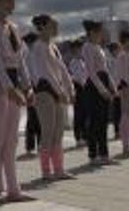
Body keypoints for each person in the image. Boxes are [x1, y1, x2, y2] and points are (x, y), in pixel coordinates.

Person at [0, 0, 34, 202]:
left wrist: (28, 85)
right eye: (8, 0)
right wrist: (10, 88)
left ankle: (14, 188)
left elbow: (21, 60)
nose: (12, 5)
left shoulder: (13, 27)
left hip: (14, 82)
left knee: (12, 139)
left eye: (13, 0)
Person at [29, 15, 75, 181]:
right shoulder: (38, 47)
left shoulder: (53, 46)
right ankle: (46, 171)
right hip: (45, 91)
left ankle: (59, 169)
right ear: (43, 26)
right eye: (53, 25)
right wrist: (59, 91)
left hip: (57, 91)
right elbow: (44, 72)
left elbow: (63, 69)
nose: (56, 27)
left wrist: (70, 88)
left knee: (58, 131)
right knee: (47, 131)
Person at [81, 20, 118, 165]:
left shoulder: (99, 48)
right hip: (93, 85)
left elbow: (105, 70)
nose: (101, 35)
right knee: (95, 121)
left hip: (102, 81)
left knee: (103, 121)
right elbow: (91, 71)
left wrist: (112, 85)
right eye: (99, 32)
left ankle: (104, 154)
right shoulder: (87, 47)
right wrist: (102, 90)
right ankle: (93, 155)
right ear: (91, 33)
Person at [19, 32, 41, 161]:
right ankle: (37, 145)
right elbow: (31, 73)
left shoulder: (26, 54)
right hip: (33, 87)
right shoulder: (30, 55)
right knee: (35, 117)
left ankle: (32, 146)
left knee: (33, 117)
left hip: (30, 87)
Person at [68, 41, 88, 148]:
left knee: (85, 113)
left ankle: (85, 136)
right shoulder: (73, 62)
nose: (79, 51)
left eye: (79, 49)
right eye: (76, 49)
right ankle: (78, 137)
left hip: (84, 88)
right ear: (73, 50)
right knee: (78, 114)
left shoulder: (82, 62)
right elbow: (75, 77)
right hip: (77, 87)